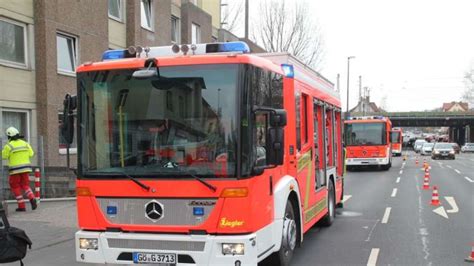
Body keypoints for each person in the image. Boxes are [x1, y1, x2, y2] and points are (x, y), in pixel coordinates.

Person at [1, 127, 37, 212]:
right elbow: (31, 154)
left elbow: (4, 156)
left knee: (15, 186)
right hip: (26, 169)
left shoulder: (8, 145)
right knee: (25, 185)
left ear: (9, 136)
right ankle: (32, 198)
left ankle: (21, 206)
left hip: (15, 170)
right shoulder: (25, 143)